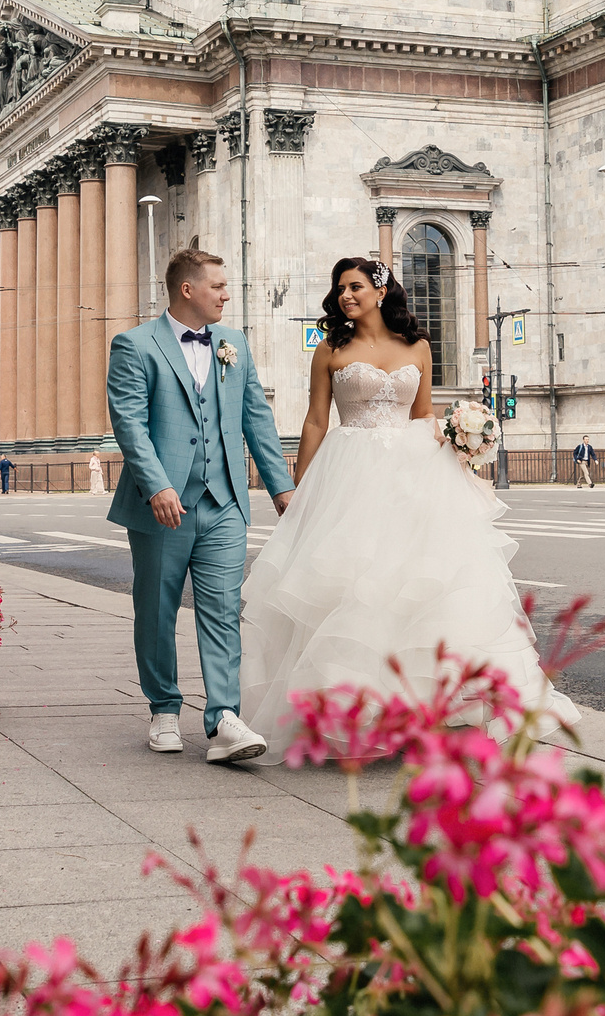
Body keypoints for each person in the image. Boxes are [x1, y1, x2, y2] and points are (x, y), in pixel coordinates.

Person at [238, 256, 575, 760]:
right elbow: (314, 420)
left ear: (379, 291)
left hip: (411, 476)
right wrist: (296, 487)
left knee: (410, 589)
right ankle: (353, 714)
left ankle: (413, 712)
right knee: (351, 587)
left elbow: (423, 417)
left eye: (354, 287)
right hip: (347, 473)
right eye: (340, 289)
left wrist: (465, 443)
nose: (345, 296)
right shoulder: (332, 347)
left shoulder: (418, 347)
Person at [109, 247, 298, 763]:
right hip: (161, 506)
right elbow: (129, 422)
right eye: (218, 285)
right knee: (156, 609)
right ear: (187, 289)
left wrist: (282, 487)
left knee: (221, 611)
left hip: (225, 502)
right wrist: (156, 486)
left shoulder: (234, 344)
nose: (227, 294)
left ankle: (223, 722)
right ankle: (164, 708)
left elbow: (256, 417)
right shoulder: (134, 345)